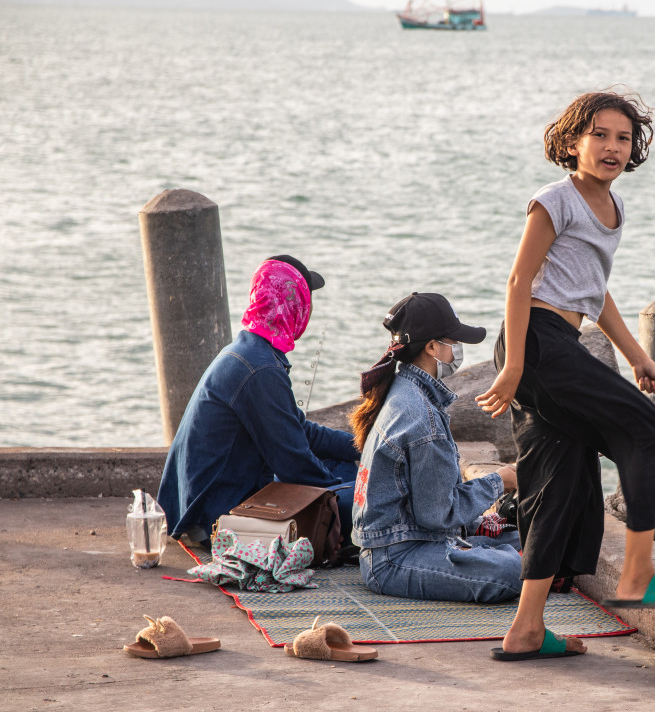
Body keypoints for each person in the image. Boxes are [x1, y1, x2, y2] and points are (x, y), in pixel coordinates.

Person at [475, 91, 655, 661]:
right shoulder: (555, 200)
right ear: (573, 141)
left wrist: (635, 354)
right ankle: (637, 578)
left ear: (635, 149)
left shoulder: (614, 209)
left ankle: (526, 629)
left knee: (558, 478)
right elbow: (517, 282)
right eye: (599, 135)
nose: (611, 147)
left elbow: (594, 289)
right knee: (649, 431)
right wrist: (513, 367)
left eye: (623, 138)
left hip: (560, 342)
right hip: (537, 343)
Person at [157, 255, 359, 545]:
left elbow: (300, 431)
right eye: (305, 298)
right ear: (295, 304)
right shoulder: (261, 370)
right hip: (218, 515)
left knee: (347, 466)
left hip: (202, 505)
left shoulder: (248, 350)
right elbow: (296, 465)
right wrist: (353, 487)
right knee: (369, 497)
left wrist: (360, 446)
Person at [349, 292, 521, 603]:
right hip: (394, 558)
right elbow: (438, 514)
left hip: (409, 539)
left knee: (522, 540)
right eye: (452, 341)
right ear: (431, 347)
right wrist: (502, 481)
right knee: (511, 572)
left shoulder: (403, 389)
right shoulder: (422, 416)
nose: (458, 349)